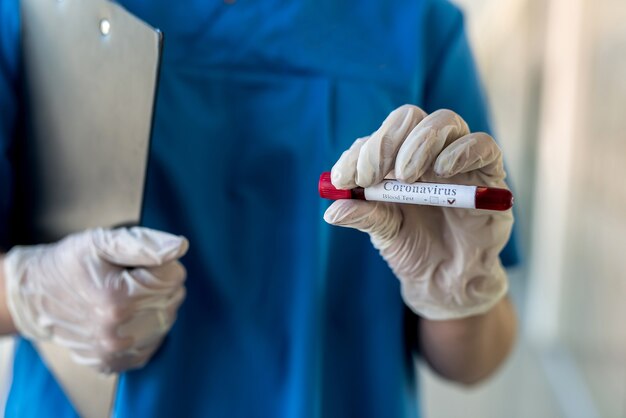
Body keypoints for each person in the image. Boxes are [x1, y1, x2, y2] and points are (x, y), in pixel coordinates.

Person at [0, 0, 520, 416]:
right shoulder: (33, 12)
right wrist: (32, 291)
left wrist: (458, 293)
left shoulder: (418, 22)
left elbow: (478, 360)